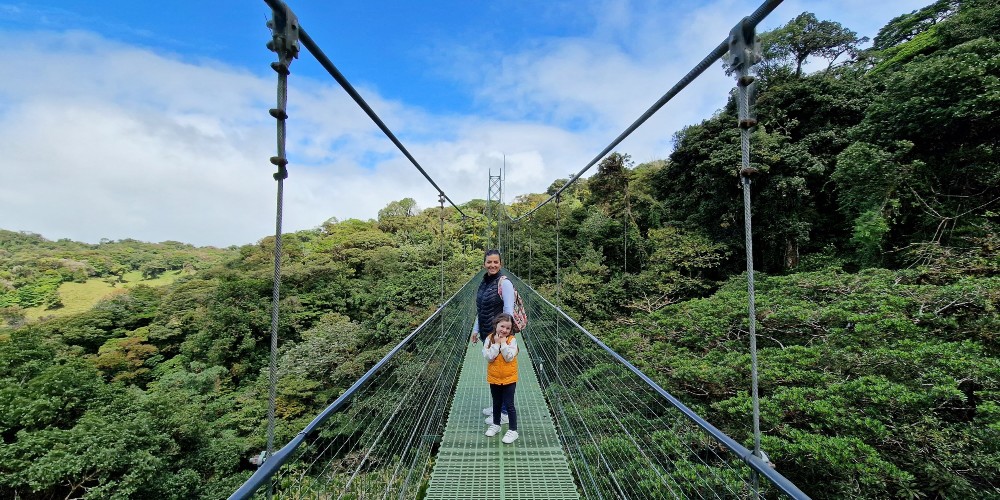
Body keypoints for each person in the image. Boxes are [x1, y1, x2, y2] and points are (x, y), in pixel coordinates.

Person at [470, 249, 515, 421]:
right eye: (489, 262)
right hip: (486, 335)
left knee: (503, 373)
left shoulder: (505, 283)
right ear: (484, 264)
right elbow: (481, 310)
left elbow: (508, 312)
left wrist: (502, 337)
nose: (492, 265)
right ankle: (497, 406)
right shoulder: (484, 283)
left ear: (501, 264)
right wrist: (476, 330)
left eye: (496, 262)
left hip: (498, 336)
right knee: (494, 371)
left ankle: (504, 413)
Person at [483, 313, 519, 444]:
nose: (504, 330)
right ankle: (496, 424)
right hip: (495, 377)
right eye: (502, 326)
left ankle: (513, 430)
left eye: (508, 328)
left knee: (509, 404)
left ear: (511, 330)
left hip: (509, 378)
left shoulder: (512, 340)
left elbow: (509, 357)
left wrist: (503, 344)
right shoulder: (489, 339)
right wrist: (496, 344)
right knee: (496, 403)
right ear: (495, 325)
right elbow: (488, 357)